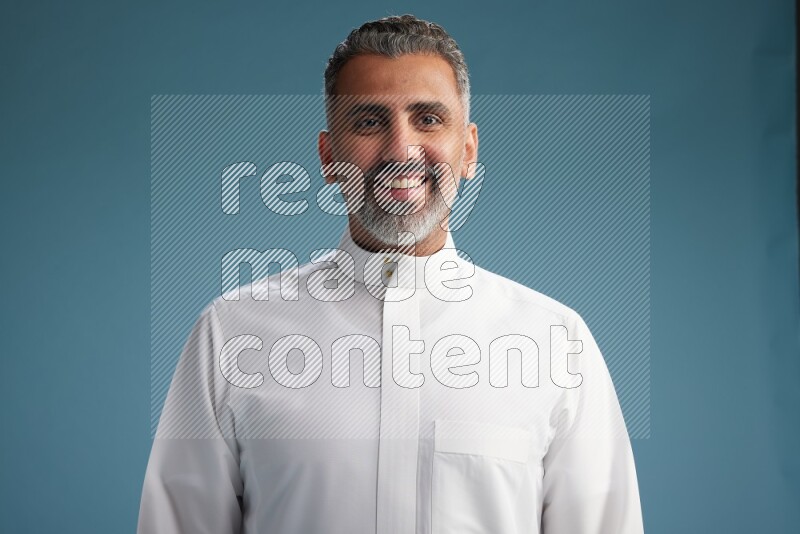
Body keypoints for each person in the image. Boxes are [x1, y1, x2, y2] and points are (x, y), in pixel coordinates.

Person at [138, 14, 644, 533]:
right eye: (369, 121)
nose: (401, 150)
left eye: (427, 119)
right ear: (329, 156)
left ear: (468, 150)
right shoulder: (230, 333)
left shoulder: (557, 342)